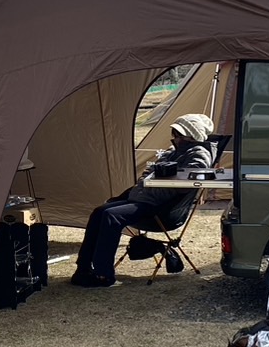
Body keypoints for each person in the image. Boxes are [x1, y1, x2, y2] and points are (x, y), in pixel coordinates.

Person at [71, 112, 216, 287]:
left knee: (111, 216)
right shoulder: (175, 151)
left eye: (178, 135)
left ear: (192, 136)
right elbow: (153, 173)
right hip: (143, 197)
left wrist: (160, 175)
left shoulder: (199, 153)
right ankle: (83, 268)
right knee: (99, 212)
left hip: (160, 207)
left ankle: (104, 276)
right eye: (174, 134)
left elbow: (191, 180)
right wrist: (151, 174)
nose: (174, 138)